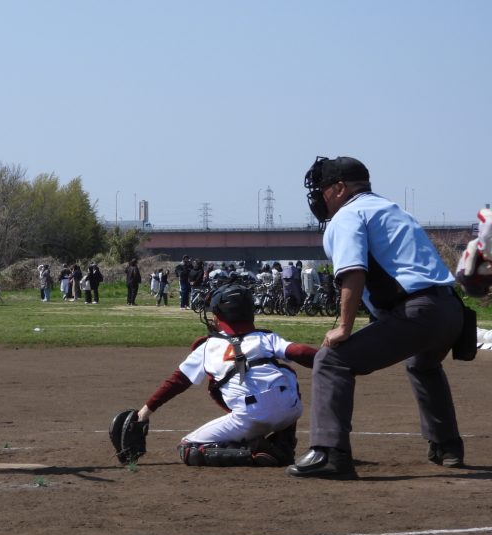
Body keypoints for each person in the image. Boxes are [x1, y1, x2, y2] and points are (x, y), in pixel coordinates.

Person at [288, 156, 464, 479]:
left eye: (323, 189)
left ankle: (330, 453)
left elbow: (354, 271)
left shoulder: (347, 215)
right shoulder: (393, 210)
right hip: (451, 310)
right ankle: (448, 445)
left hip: (418, 312)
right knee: (422, 364)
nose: (319, 197)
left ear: (339, 188)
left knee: (331, 359)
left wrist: (344, 327)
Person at [133, 281, 316, 467]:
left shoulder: (207, 347)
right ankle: (284, 444)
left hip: (250, 418)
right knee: (285, 374)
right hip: (291, 411)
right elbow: (300, 352)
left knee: (188, 447)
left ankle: (255, 451)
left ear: (219, 316)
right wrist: (330, 360)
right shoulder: (266, 338)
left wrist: (144, 412)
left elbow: (177, 381)